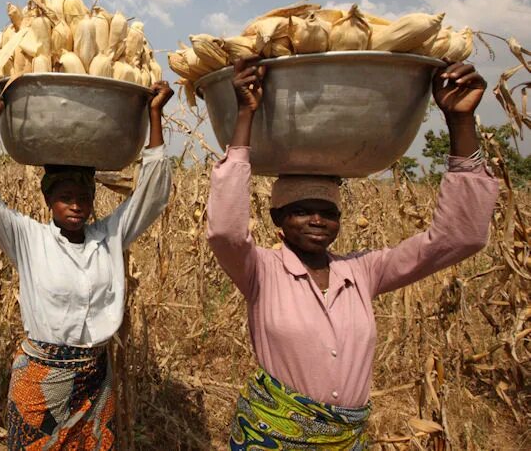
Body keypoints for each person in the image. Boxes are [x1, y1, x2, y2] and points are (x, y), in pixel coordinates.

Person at [206, 58, 499, 449]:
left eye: (328, 213)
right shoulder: (261, 270)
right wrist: (246, 112)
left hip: (346, 439)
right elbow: (225, 230)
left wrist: (459, 122)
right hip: (271, 435)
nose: (316, 221)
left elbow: (457, 236)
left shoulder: (362, 271)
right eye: (301, 211)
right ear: (277, 219)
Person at [0, 77, 174, 450]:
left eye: (83, 197)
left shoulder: (110, 236)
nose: (76, 205)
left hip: (95, 376)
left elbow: (152, 196)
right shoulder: (27, 238)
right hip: (41, 380)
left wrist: (155, 116)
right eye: (65, 197)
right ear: (49, 201)